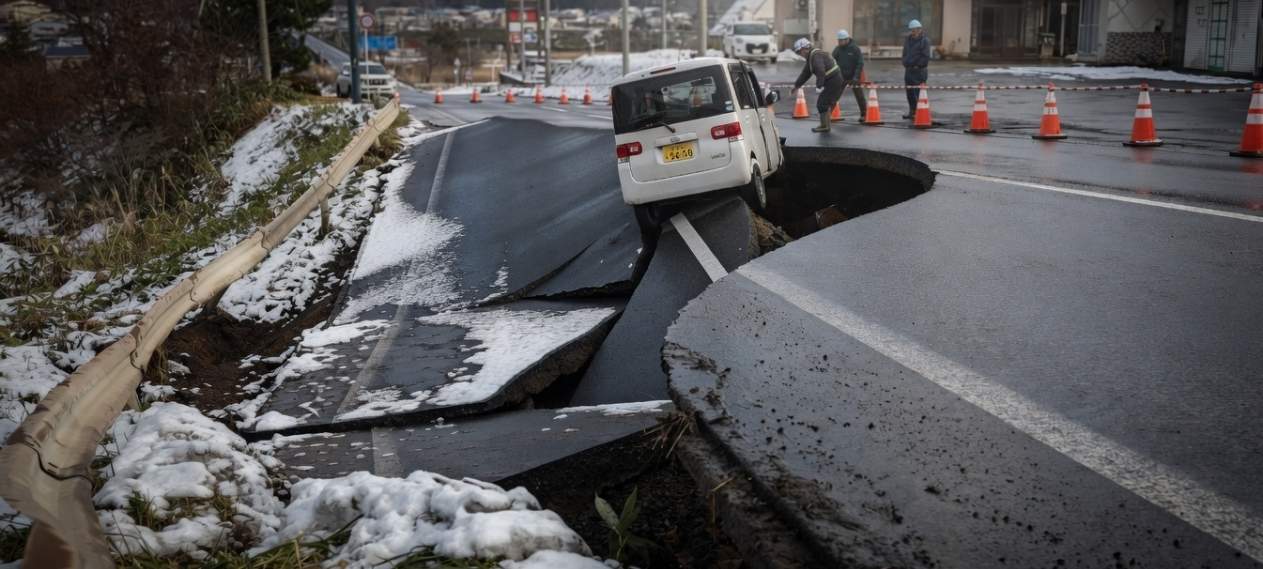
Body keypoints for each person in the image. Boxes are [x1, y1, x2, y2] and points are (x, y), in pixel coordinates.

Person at [790, 37, 844, 133]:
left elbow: (820, 70)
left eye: (799, 52)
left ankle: (825, 126)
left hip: (833, 80)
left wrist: (819, 85)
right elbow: (805, 74)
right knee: (826, 103)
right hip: (835, 80)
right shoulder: (812, 56)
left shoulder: (815, 55)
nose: (800, 54)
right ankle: (825, 125)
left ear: (805, 48)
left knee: (822, 103)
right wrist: (796, 86)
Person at [830, 29, 867, 119]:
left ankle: (864, 115)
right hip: (841, 77)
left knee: (860, 97)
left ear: (847, 39)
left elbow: (860, 63)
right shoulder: (837, 49)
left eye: (841, 40)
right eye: (838, 40)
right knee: (834, 96)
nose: (839, 42)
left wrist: (856, 77)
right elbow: (831, 62)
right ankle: (828, 114)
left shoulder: (855, 49)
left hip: (853, 77)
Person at [901, 19, 931, 119]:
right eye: (912, 30)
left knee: (919, 93)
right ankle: (912, 111)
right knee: (909, 93)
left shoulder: (924, 41)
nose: (913, 32)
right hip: (909, 70)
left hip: (919, 71)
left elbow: (925, 57)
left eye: (915, 30)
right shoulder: (908, 40)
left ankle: (921, 113)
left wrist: (918, 65)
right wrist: (905, 62)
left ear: (919, 29)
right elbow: (905, 53)